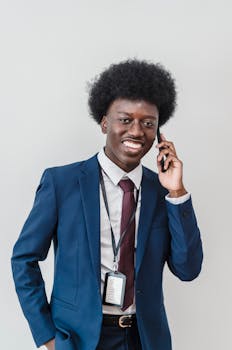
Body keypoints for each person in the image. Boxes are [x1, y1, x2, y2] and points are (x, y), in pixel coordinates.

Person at [11, 59, 203, 350]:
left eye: (148, 123)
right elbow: (24, 259)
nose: (137, 131)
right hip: (78, 340)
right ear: (104, 122)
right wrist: (47, 337)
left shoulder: (162, 192)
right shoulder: (61, 183)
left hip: (145, 339)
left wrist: (177, 192)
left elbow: (188, 269)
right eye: (125, 119)